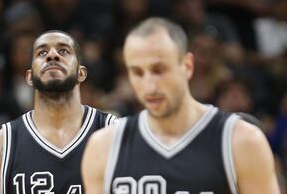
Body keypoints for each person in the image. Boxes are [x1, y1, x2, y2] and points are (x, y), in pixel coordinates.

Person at [82, 18, 280, 194]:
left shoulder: (241, 140)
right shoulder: (104, 146)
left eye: (159, 70)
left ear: (187, 66)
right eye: (138, 73)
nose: (149, 86)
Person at [0, 31, 117, 194]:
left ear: (81, 73)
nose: (52, 55)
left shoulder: (116, 135)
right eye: (42, 53)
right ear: (29, 77)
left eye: (64, 51)